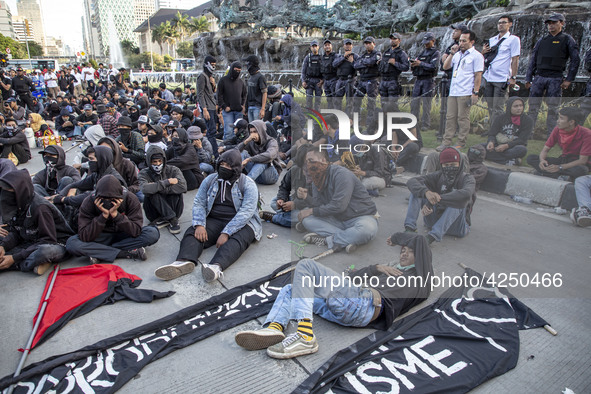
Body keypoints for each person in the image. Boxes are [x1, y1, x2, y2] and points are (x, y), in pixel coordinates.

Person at [234, 232, 433, 358]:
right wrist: (377, 267)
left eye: (409, 252)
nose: (403, 254)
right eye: (402, 251)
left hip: (364, 304)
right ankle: (274, 327)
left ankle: (304, 334)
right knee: (290, 289)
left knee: (305, 265)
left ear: (421, 257)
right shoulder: (391, 270)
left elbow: (420, 240)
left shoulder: (419, 278)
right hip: (346, 307)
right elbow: (354, 277)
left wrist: (398, 239)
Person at [154, 149, 260, 282]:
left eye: (228, 166)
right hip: (214, 219)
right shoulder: (210, 179)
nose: (224, 168)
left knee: (237, 241)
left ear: (237, 168)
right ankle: (183, 262)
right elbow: (199, 201)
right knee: (192, 232)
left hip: (242, 223)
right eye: (222, 164)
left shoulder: (248, 184)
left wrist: (227, 233)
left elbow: (246, 212)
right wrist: (199, 224)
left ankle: (215, 267)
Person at [298, 149, 379, 253]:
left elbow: (339, 206)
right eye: (306, 162)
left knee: (367, 230)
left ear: (323, 160)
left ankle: (329, 240)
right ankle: (348, 239)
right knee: (307, 220)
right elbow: (319, 205)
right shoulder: (317, 178)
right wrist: (306, 197)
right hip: (338, 219)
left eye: (311, 160)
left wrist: (311, 210)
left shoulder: (341, 174)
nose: (308, 164)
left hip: (360, 217)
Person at [65, 175, 160, 264]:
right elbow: (85, 236)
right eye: (103, 198)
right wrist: (102, 217)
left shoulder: (130, 199)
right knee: (72, 243)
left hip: (124, 235)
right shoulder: (89, 201)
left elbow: (135, 231)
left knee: (152, 233)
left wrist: (117, 215)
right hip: (100, 236)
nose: (108, 202)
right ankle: (125, 253)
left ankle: (100, 253)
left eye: (112, 199)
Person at [0, 169, 73, 275]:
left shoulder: (40, 208)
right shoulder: (17, 204)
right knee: (2, 236)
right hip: (30, 239)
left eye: (9, 191)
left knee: (43, 252)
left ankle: (19, 264)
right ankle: (32, 263)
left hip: (56, 243)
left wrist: (14, 258)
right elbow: (16, 231)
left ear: (20, 190)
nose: (5, 194)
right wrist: (3, 246)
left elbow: (48, 240)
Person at [404, 147, 475, 245]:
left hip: (457, 227)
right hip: (433, 221)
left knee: (459, 200)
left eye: (453, 165)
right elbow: (412, 181)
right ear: (442, 165)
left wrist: (433, 201)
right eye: (446, 165)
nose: (449, 167)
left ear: (460, 164)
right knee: (418, 190)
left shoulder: (468, 179)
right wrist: (426, 192)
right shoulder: (438, 176)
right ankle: (409, 228)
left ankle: (431, 237)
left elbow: (466, 194)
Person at [526, 13, 580, 136]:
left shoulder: (567, 39)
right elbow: (533, 60)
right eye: (549, 23)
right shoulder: (542, 40)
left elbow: (575, 60)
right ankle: (528, 133)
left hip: (555, 78)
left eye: (554, 23)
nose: (551, 26)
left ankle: (552, 135)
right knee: (533, 107)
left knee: (553, 109)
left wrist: (569, 79)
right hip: (539, 77)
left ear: (562, 23)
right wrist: (528, 78)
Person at [438, 30, 484, 151]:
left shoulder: (477, 56)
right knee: (450, 117)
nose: (461, 43)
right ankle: (446, 141)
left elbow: (478, 75)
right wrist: (452, 53)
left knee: (462, 119)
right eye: (460, 41)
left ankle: (460, 142)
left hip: (466, 92)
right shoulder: (457, 55)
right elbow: (445, 67)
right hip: (454, 91)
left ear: (472, 42)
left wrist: (475, 92)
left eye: (464, 41)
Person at [526, 107, 591, 180]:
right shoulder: (557, 129)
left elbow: (582, 161)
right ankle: (560, 176)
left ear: (571, 122)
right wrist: (542, 160)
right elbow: (545, 149)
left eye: (561, 118)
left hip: (576, 163)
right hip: (563, 159)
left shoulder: (587, 134)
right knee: (531, 158)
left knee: (582, 170)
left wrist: (560, 167)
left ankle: (545, 173)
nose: (557, 121)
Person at [482, 15, 521, 124]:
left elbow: (515, 59)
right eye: (499, 23)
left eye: (504, 22)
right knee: (490, 105)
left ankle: (497, 130)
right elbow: (485, 58)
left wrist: (513, 77)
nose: (501, 25)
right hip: (489, 76)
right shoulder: (492, 40)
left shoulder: (513, 39)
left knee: (498, 107)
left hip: (502, 77)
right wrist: (483, 52)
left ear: (510, 24)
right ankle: (492, 129)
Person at [261, 144, 312, 227]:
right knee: (274, 202)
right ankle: (295, 221)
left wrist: (295, 204)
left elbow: (317, 201)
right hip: (296, 201)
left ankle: (275, 218)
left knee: (308, 216)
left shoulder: (318, 174)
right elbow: (284, 187)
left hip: (308, 206)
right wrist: (282, 199)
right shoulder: (295, 170)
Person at [139, 146, 187, 234]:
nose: (157, 164)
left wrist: (155, 187)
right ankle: (171, 219)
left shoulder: (173, 170)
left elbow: (183, 187)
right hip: (154, 212)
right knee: (151, 193)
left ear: (164, 160)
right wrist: (167, 182)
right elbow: (144, 189)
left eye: (160, 161)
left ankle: (168, 218)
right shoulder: (144, 173)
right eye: (154, 162)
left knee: (174, 191)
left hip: (174, 208)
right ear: (149, 162)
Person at [483, 96, 532, 165]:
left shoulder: (527, 120)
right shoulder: (500, 118)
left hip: (513, 147)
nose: (519, 108)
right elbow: (492, 134)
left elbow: (522, 140)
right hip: (497, 145)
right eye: (516, 106)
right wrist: (491, 142)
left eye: (521, 106)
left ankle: (492, 157)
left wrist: (506, 146)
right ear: (509, 107)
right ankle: (510, 161)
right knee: (477, 148)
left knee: (522, 150)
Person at [410, 32, 440, 131]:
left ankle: (425, 124)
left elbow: (433, 66)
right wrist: (414, 65)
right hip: (419, 79)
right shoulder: (422, 53)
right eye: (425, 42)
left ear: (433, 41)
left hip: (428, 80)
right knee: (414, 102)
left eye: (428, 42)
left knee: (426, 104)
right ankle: (414, 123)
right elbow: (417, 64)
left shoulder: (435, 53)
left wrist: (421, 63)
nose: (426, 44)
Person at [97, 133, 141, 198]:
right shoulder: (96, 163)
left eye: (107, 150)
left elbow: (137, 184)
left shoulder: (127, 163)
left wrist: (123, 191)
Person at [238, 120, 281, 185]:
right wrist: (245, 141)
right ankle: (234, 177)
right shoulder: (251, 141)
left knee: (264, 160)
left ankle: (245, 184)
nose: (253, 135)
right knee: (243, 152)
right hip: (257, 176)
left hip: (271, 177)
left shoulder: (272, 141)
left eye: (255, 132)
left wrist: (249, 159)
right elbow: (235, 151)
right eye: (251, 132)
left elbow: (269, 155)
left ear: (261, 131)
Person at [354, 37, 381, 127]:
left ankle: (370, 124)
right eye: (366, 43)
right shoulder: (363, 54)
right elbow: (356, 65)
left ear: (374, 44)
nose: (367, 45)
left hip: (372, 80)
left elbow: (372, 62)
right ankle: (356, 122)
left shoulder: (377, 54)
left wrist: (364, 63)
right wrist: (366, 63)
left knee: (371, 103)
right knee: (356, 100)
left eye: (369, 43)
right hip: (362, 80)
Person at [379, 33, 410, 113]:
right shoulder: (386, 52)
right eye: (391, 39)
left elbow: (406, 67)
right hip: (383, 81)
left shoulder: (401, 53)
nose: (392, 40)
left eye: (394, 39)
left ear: (399, 41)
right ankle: (386, 123)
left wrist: (395, 63)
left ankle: (397, 122)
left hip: (393, 81)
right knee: (383, 104)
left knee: (392, 105)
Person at [218, 61, 247, 141]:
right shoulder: (223, 80)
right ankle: (226, 150)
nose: (237, 72)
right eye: (235, 70)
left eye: (239, 71)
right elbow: (219, 95)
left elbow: (244, 94)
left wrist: (242, 105)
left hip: (238, 111)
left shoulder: (241, 82)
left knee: (240, 131)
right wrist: (224, 106)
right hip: (228, 111)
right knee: (228, 131)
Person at [197, 55, 219, 154]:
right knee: (211, 132)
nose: (213, 67)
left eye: (215, 65)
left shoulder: (209, 77)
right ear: (206, 64)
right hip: (208, 108)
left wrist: (213, 84)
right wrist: (204, 109)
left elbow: (212, 92)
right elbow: (200, 94)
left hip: (212, 106)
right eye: (212, 64)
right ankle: (214, 153)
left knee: (213, 131)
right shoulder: (202, 76)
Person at [333, 38, 358, 112]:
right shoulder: (339, 56)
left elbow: (359, 66)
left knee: (349, 101)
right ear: (343, 46)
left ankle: (349, 118)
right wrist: (343, 57)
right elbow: (334, 64)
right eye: (346, 45)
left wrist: (352, 61)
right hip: (340, 80)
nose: (347, 46)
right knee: (337, 100)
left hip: (351, 80)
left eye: (349, 44)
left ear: (352, 46)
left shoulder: (355, 56)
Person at [243, 55, 267, 122]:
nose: (246, 65)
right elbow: (248, 93)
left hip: (257, 107)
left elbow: (264, 93)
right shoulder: (250, 77)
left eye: (247, 63)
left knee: (257, 128)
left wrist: (262, 109)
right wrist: (245, 106)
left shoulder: (260, 77)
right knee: (251, 128)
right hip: (250, 107)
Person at [301, 40, 323, 110]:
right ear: (310, 48)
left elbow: (324, 71)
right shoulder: (307, 58)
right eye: (313, 46)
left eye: (315, 46)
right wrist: (303, 81)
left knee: (318, 101)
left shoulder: (321, 57)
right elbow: (303, 71)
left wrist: (323, 80)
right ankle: (309, 116)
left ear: (318, 47)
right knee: (309, 100)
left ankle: (317, 117)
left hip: (318, 81)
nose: (314, 48)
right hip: (309, 80)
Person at [320, 40, 338, 108]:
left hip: (333, 80)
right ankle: (331, 114)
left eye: (328, 45)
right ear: (323, 47)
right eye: (325, 45)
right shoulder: (322, 57)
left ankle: (336, 115)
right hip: (326, 81)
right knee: (329, 99)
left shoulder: (335, 56)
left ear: (331, 46)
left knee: (335, 99)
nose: (327, 46)